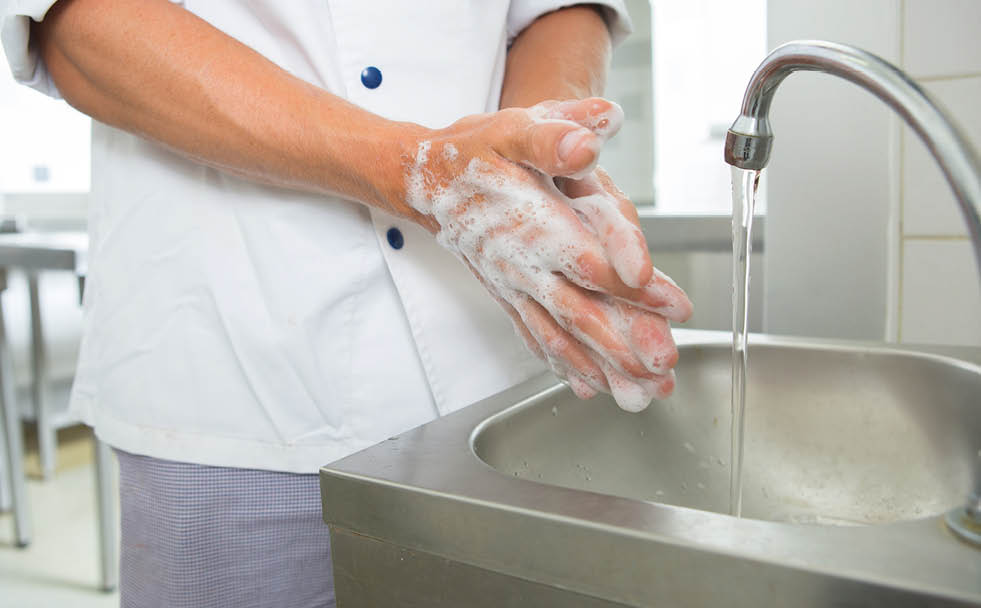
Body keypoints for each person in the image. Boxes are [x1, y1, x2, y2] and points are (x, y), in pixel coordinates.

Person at [1, 1, 692, 605]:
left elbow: (561, 8)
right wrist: (413, 168)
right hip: (236, 381)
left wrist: (538, 151)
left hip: (488, 372)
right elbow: (78, 24)